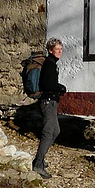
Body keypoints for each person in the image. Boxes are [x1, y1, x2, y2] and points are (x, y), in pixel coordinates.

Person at [32, 38, 67, 178]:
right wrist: (61, 88)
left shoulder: (52, 63)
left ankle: (40, 157)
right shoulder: (49, 64)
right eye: (57, 49)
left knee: (55, 131)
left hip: (51, 102)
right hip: (48, 102)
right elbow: (47, 84)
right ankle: (38, 164)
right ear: (50, 50)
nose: (59, 51)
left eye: (61, 49)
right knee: (48, 133)